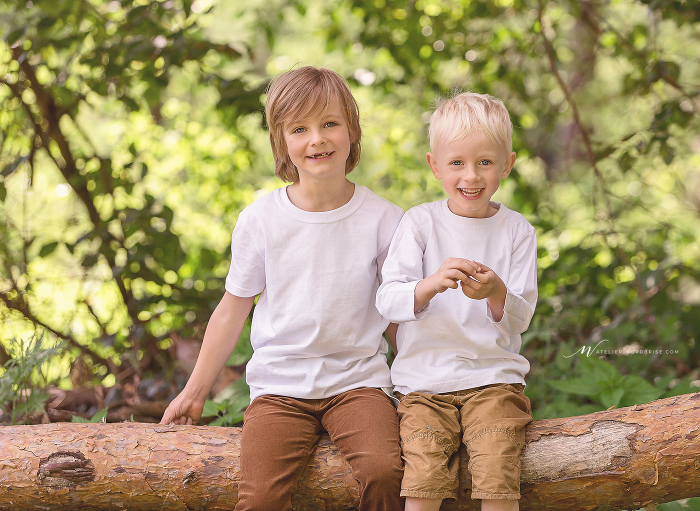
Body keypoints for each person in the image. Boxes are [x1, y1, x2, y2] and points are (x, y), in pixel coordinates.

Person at [161, 66, 405, 511]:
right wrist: (194, 393)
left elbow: (396, 315)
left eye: (330, 123)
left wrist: (415, 386)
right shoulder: (261, 220)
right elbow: (232, 310)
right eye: (300, 129)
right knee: (259, 500)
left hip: (358, 384)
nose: (318, 139)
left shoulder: (385, 219)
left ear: (352, 131)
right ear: (282, 141)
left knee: (385, 472)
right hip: (279, 389)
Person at [376, 92, 538, 511]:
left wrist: (497, 292)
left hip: (494, 381)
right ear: (435, 166)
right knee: (424, 480)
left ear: (507, 164)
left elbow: (521, 317)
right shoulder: (421, 223)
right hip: (424, 387)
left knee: (498, 474)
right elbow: (388, 301)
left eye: (485, 162)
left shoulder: (517, 231)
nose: (471, 176)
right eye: (457, 163)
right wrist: (430, 284)